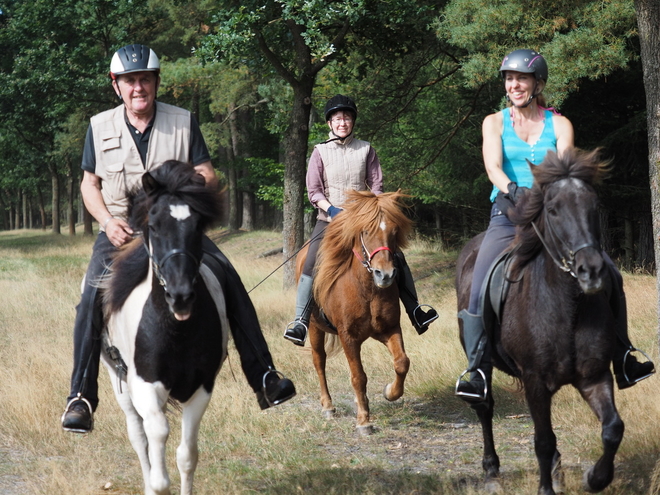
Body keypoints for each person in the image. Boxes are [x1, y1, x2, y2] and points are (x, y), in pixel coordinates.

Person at [61, 44, 296, 433]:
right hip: (122, 229)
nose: (139, 87)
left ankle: (265, 376)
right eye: (130, 81)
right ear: (116, 86)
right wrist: (105, 221)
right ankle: (81, 397)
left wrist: (186, 193)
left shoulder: (183, 121)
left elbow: (207, 172)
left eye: (145, 79)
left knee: (226, 275)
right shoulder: (99, 125)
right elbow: (90, 184)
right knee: (90, 296)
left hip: (175, 228)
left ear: (156, 82)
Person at [455, 49, 655, 404]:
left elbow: (565, 172)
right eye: (509, 79)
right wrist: (515, 191)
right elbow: (493, 168)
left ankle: (624, 356)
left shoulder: (560, 124)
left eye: (521, 79)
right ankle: (478, 369)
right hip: (509, 212)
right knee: (480, 280)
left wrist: (549, 199)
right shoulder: (494, 122)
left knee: (610, 272)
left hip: (552, 214)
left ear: (538, 84)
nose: (514, 85)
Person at [283, 94, 438, 346]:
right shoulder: (320, 152)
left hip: (364, 221)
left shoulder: (366, 149)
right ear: (329, 123)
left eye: (346, 118)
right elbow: (314, 192)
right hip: (330, 220)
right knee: (311, 261)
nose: (342, 122)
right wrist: (332, 210)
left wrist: (370, 211)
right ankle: (300, 320)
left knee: (396, 256)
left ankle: (416, 311)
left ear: (352, 121)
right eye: (337, 118)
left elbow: (377, 186)